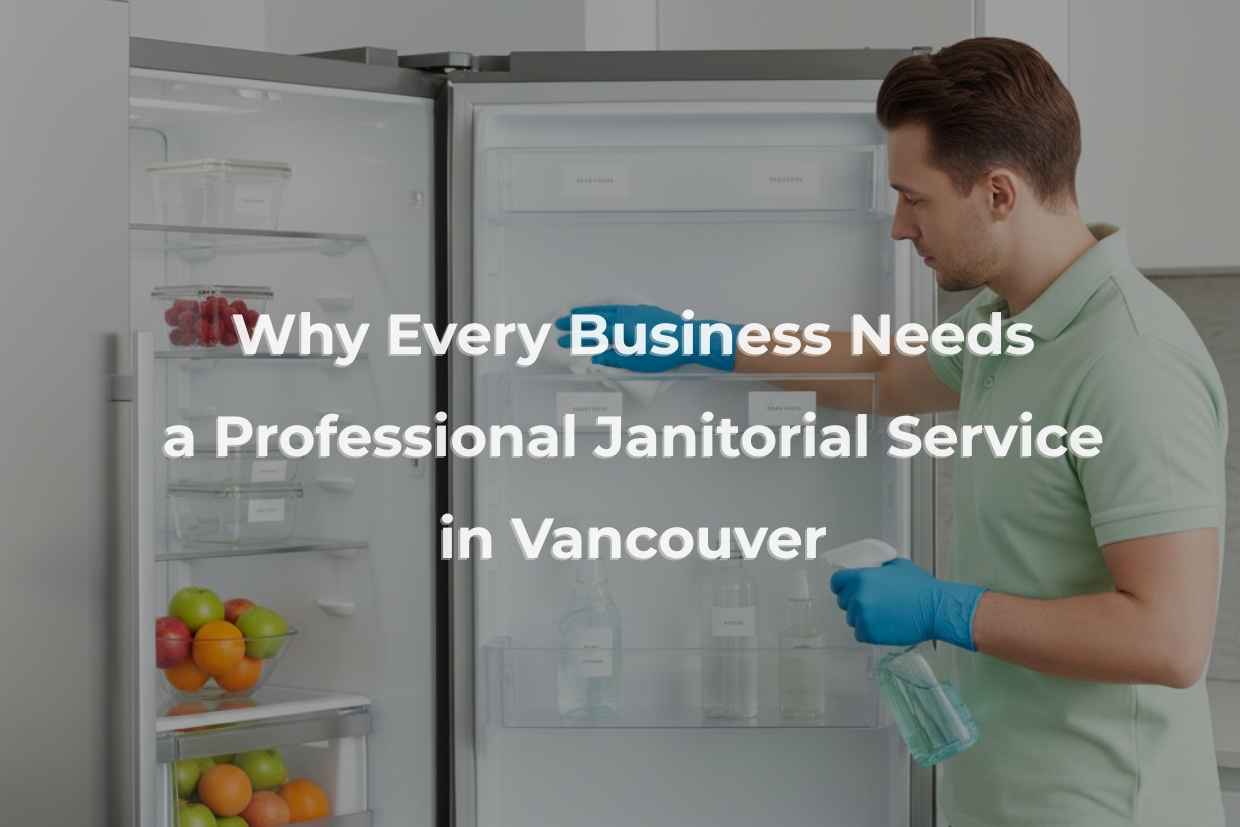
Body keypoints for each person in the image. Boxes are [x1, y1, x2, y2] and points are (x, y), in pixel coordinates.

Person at [555, 37, 1228, 827]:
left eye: (917, 199)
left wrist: (946, 607)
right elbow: (881, 374)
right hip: (1008, 799)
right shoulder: (1009, 325)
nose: (901, 229)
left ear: (999, 194)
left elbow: (1170, 637)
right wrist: (705, 343)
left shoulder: (1129, 357)